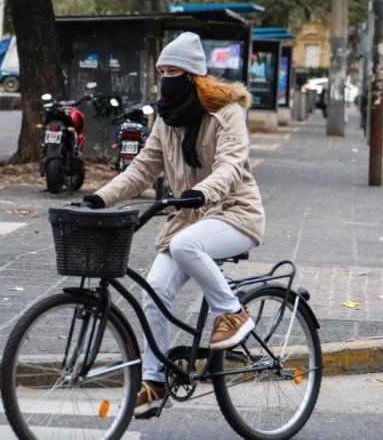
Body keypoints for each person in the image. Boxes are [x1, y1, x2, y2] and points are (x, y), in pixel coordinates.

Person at [81, 32, 265, 419]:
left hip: (234, 213)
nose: (166, 77)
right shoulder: (166, 120)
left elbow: (231, 165)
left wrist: (203, 192)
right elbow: (142, 170)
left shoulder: (227, 111)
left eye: (174, 70)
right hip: (189, 218)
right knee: (154, 290)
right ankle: (155, 382)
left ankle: (233, 313)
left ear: (194, 75)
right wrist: (100, 197)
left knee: (184, 246)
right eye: (162, 70)